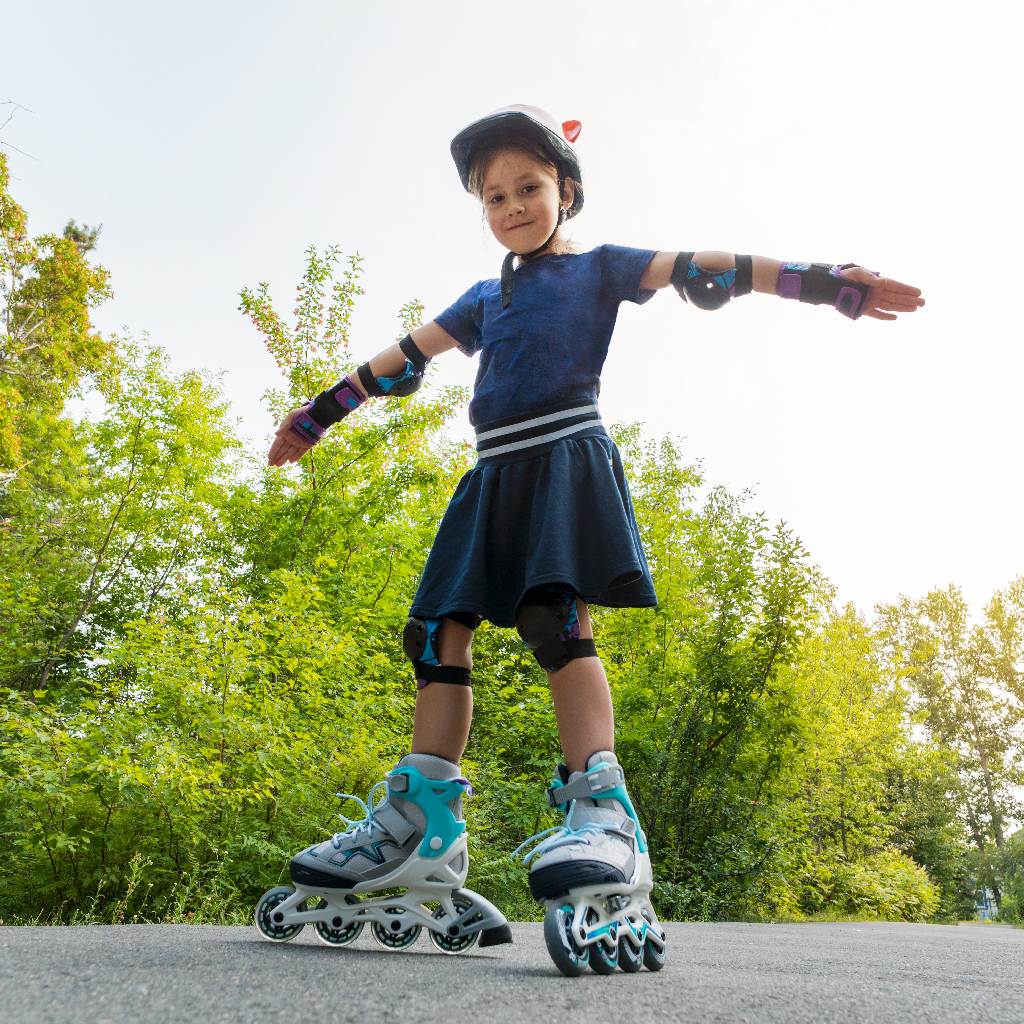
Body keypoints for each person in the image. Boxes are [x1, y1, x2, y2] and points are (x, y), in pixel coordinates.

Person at [263, 105, 925, 971]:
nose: (511, 206)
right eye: (493, 196)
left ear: (565, 191)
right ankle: (421, 821)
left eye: (528, 188)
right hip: (492, 473)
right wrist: (316, 416)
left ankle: (601, 808)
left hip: (564, 457)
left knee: (552, 617)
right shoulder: (485, 297)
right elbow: (401, 355)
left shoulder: (603, 267)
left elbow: (706, 264)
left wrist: (828, 282)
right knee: (433, 631)